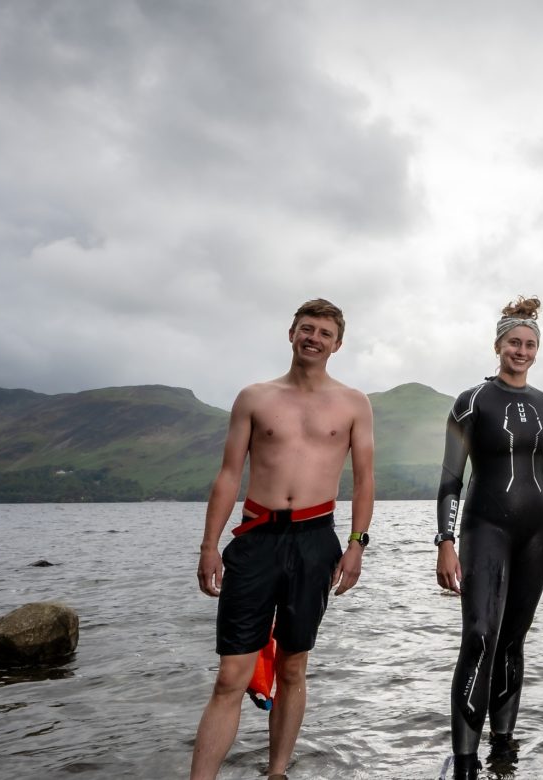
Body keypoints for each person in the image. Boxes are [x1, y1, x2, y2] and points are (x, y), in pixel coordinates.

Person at [191, 298, 376, 780]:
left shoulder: (353, 403)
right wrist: (210, 545)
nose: (314, 338)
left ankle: (277, 772)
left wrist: (357, 544)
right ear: (291, 332)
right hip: (255, 540)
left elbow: (364, 480)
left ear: (338, 344)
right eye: (306, 329)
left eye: (324, 333)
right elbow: (230, 474)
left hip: (315, 541)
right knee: (231, 673)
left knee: (294, 666)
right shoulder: (255, 397)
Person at [435, 297, 543, 780]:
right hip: (485, 527)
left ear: (537, 350)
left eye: (530, 344)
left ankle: (502, 749)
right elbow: (450, 479)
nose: (521, 351)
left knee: (514, 639)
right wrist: (445, 540)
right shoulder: (472, 401)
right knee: (480, 636)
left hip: (537, 532)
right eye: (514, 342)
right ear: (498, 345)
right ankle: (463, 760)